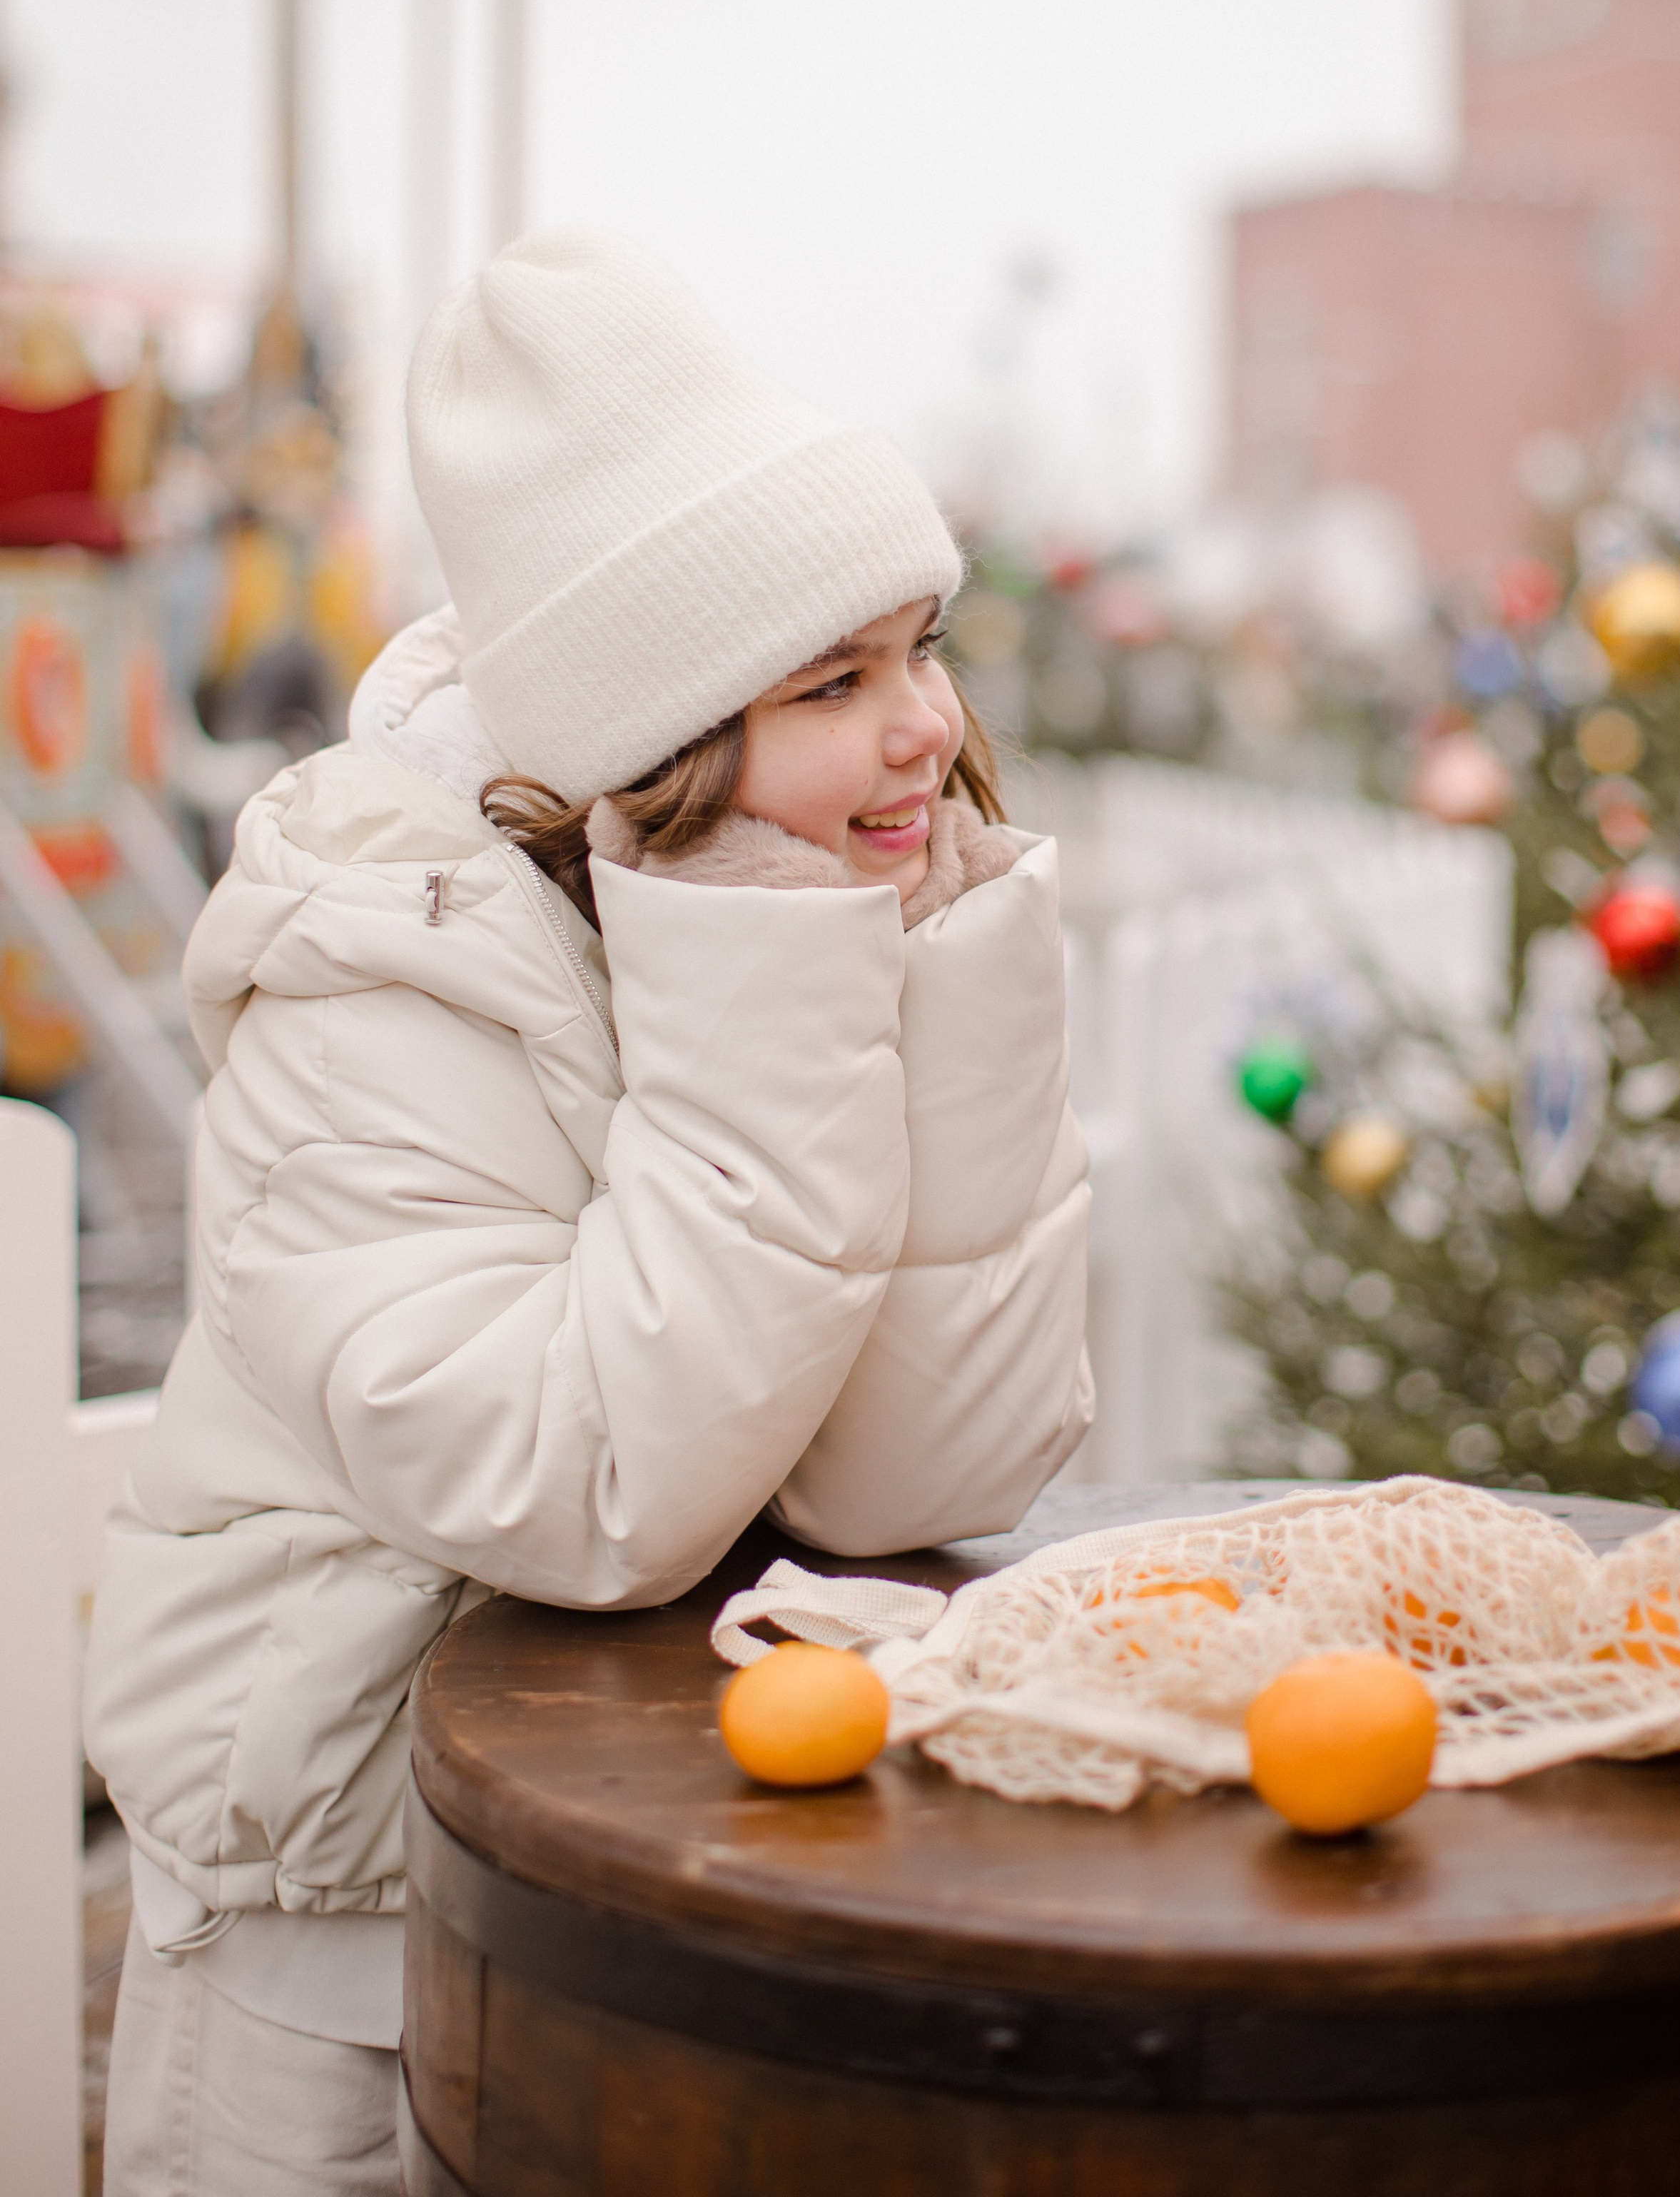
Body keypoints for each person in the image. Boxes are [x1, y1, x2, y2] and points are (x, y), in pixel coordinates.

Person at [85, 231, 1094, 2195]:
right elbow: (590, 1495)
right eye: (837, 678)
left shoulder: (811, 910)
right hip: (345, 1941)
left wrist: (939, 987)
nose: (926, 730)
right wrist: (757, 976)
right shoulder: (374, 980)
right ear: (660, 747)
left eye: (923, 648)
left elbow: (925, 1475)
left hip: (684, 1875)